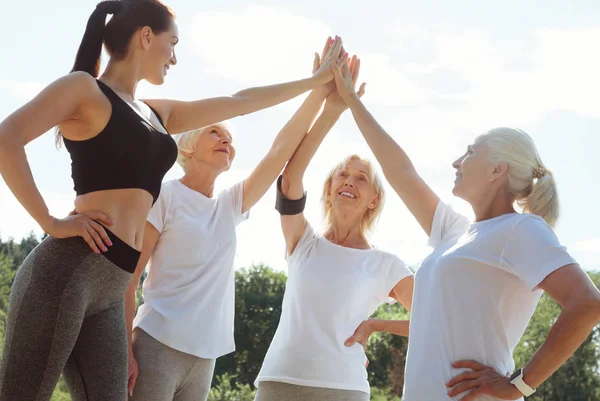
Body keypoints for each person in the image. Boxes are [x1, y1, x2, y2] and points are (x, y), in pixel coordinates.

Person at [0, 0, 343, 397]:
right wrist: (51, 222)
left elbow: (241, 101)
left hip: (112, 289)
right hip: (67, 272)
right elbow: (7, 137)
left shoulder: (155, 114)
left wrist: (314, 82)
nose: (175, 58)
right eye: (172, 44)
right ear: (147, 36)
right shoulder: (83, 89)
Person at [330, 57, 600, 400]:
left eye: (470, 152)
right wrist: (353, 101)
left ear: (496, 170)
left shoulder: (521, 229)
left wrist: (519, 384)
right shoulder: (454, 233)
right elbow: (401, 171)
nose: (457, 162)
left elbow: (587, 304)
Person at [125, 37, 346, 401]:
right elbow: (130, 278)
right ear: (188, 146)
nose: (226, 140)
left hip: (205, 356)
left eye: (230, 137)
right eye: (215, 131)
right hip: (156, 344)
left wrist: (321, 94)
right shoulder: (164, 195)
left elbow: (280, 152)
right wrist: (125, 348)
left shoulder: (229, 205)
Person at [253, 56, 414, 401]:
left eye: (361, 179)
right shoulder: (303, 242)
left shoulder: (386, 265)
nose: (349, 181)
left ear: (373, 199)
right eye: (342, 174)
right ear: (328, 189)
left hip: (343, 388)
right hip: (280, 380)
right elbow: (289, 179)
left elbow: (436, 318)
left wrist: (376, 325)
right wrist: (332, 110)